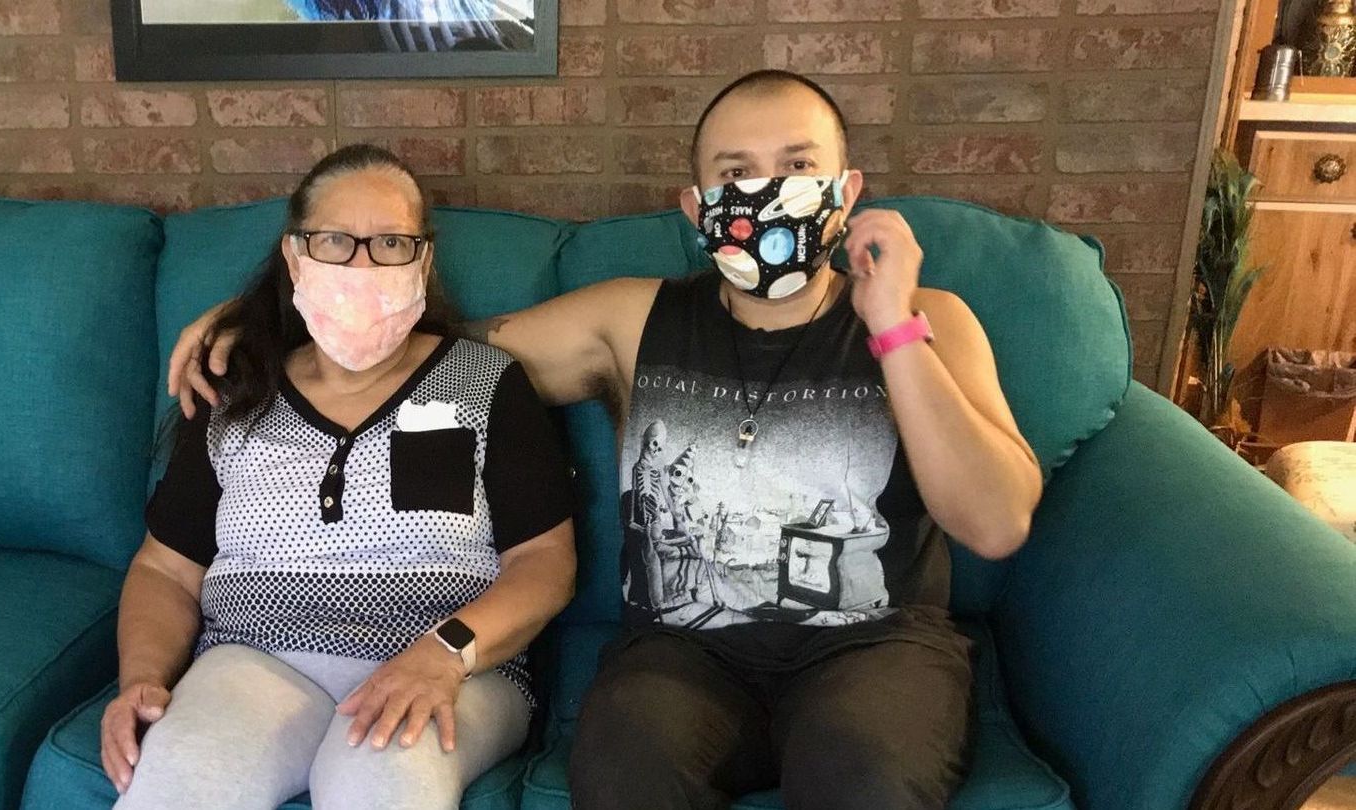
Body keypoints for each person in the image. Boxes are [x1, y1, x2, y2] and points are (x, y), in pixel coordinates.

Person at [169, 71, 1043, 809]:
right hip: (683, 653)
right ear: (697, 205)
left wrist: (892, 329)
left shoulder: (933, 322)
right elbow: (411, 348)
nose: (767, 189)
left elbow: (995, 523)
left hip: (875, 646)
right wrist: (267, 321)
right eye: (735, 172)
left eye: (798, 166)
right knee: (622, 767)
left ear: (846, 191)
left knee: (860, 766)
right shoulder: (630, 320)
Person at [104, 144, 576, 810]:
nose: (361, 265)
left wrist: (445, 653)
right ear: (295, 256)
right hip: (255, 660)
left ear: (423, 258)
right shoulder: (235, 391)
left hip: (447, 667)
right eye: (334, 241)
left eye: (389, 242)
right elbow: (164, 569)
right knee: (178, 780)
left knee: (377, 780)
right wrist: (143, 680)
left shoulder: (484, 383)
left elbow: (544, 563)